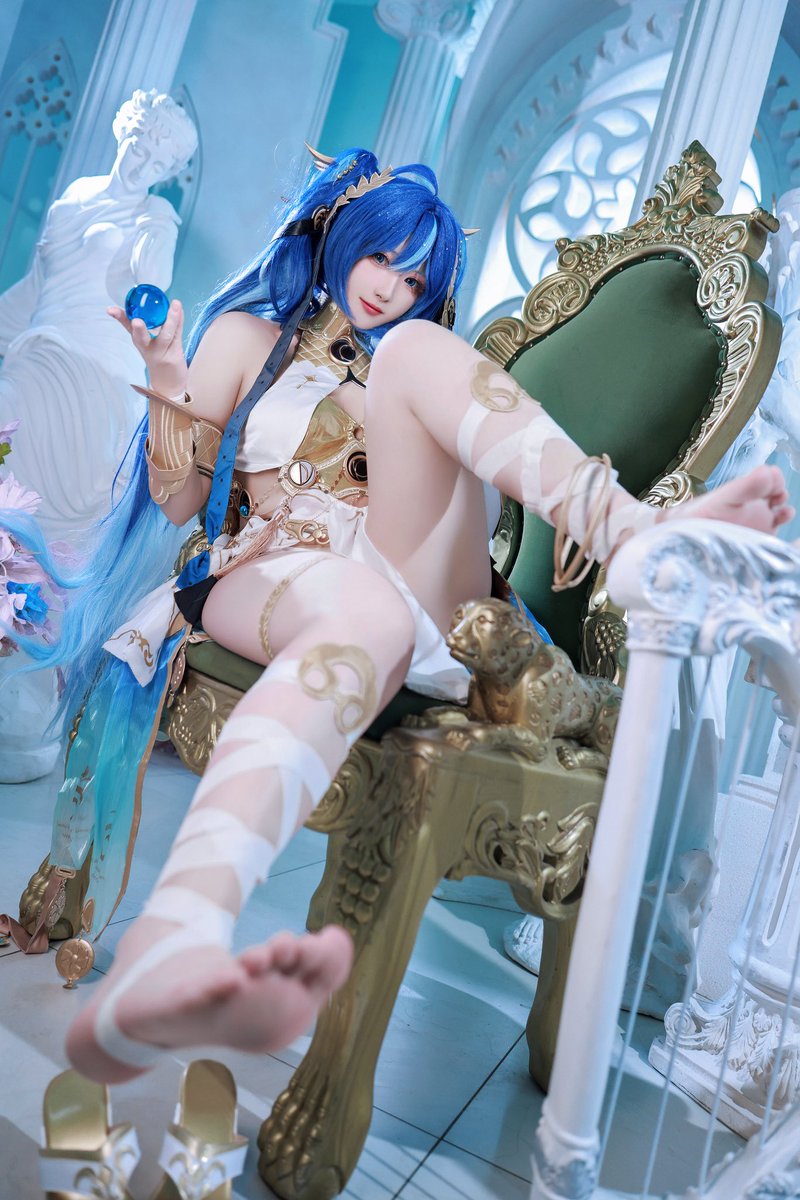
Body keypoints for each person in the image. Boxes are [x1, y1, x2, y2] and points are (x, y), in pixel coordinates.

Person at [9, 147, 792, 1086]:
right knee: (366, 618)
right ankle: (177, 941)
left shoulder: (404, 358)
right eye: (382, 257)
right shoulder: (248, 339)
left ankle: (629, 532)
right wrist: (170, 373)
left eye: (416, 278)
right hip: (281, 564)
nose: (390, 287)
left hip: (426, 578)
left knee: (419, 358)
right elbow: (182, 504)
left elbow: (448, 490)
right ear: (341, 235)